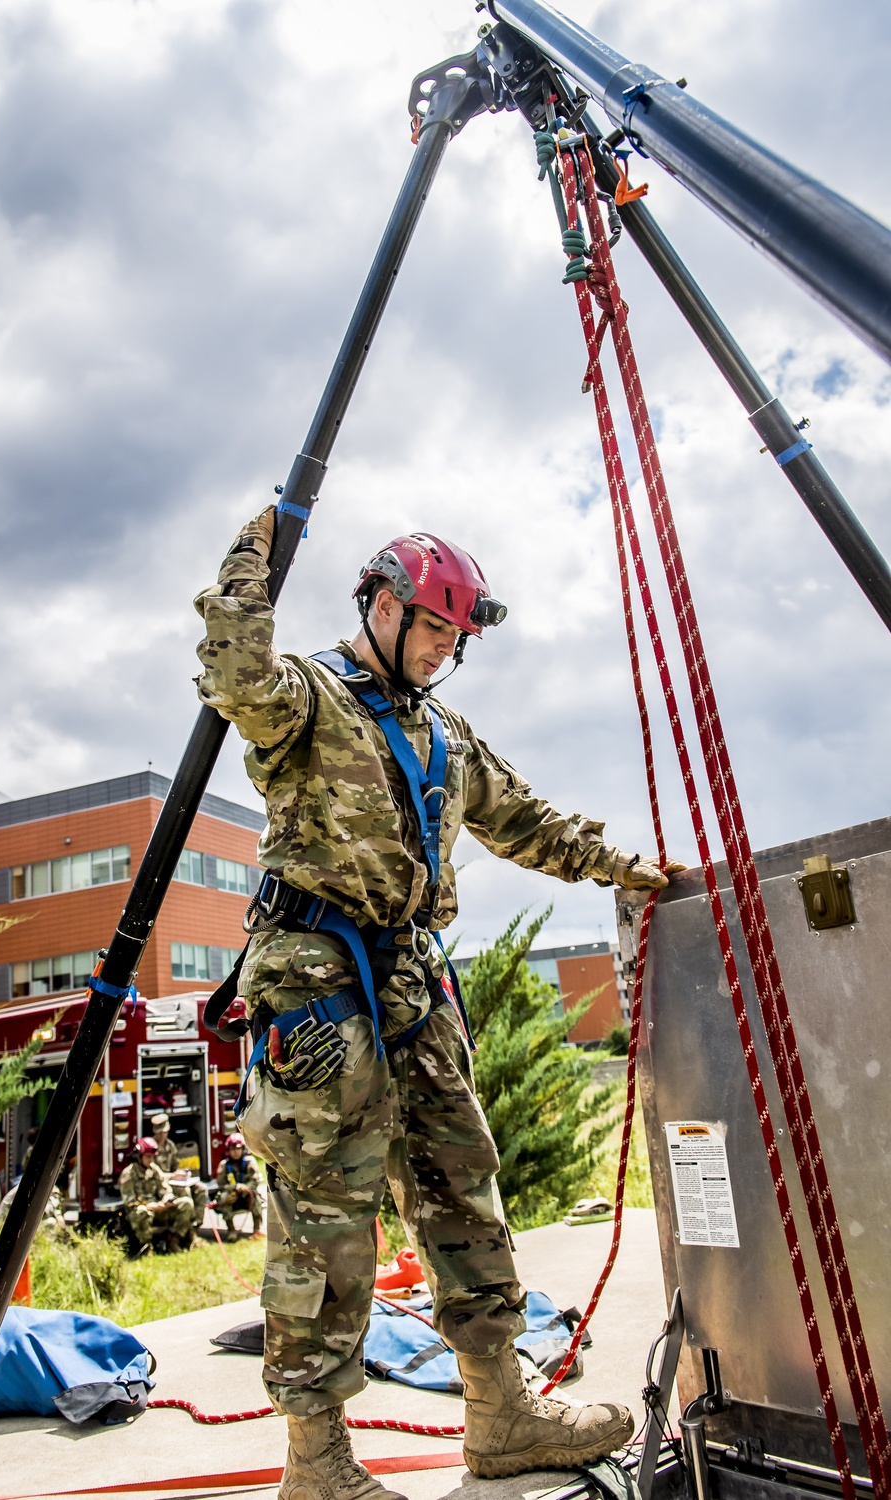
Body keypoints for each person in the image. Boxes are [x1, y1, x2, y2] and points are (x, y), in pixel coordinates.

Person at [193, 510, 684, 1499]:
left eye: (456, 643)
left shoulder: (444, 734)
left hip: (413, 977)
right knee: (326, 1211)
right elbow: (235, 679)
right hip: (314, 976)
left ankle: (500, 1410)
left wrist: (625, 868)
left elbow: (527, 820)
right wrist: (249, 567)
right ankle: (318, 1465)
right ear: (380, 606)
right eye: (431, 632)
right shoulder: (307, 698)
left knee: (461, 1183)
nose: (443, 653)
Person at [118, 1137, 196, 1253]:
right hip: (143, 1211)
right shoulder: (128, 1175)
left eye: (152, 1157)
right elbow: (130, 1203)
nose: (151, 1160)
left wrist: (168, 1199)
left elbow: (164, 1189)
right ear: (139, 1157)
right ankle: (147, 1247)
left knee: (186, 1203)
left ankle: (174, 1242)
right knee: (141, 1212)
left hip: (160, 1208)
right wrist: (153, 1206)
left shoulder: (154, 1170)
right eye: (148, 1157)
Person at [150, 1111, 209, 1224]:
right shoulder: (151, 1148)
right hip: (159, 1183)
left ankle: (196, 1222)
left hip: (174, 1181)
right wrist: (172, 1176)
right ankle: (188, 1225)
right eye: (159, 1132)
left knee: (201, 1189)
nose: (162, 1135)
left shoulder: (170, 1146)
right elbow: (153, 1174)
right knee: (184, 1191)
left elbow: (175, 1166)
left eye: (164, 1132)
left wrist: (182, 1174)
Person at [214, 1132, 263, 1240]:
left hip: (247, 1194)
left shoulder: (250, 1162)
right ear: (228, 1151)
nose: (235, 1152)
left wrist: (245, 1188)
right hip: (232, 1194)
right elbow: (221, 1185)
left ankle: (256, 1230)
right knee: (222, 1198)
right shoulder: (224, 1165)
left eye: (238, 1149)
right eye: (232, 1149)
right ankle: (231, 1230)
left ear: (243, 1149)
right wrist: (234, 1188)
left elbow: (255, 1180)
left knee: (256, 1196)